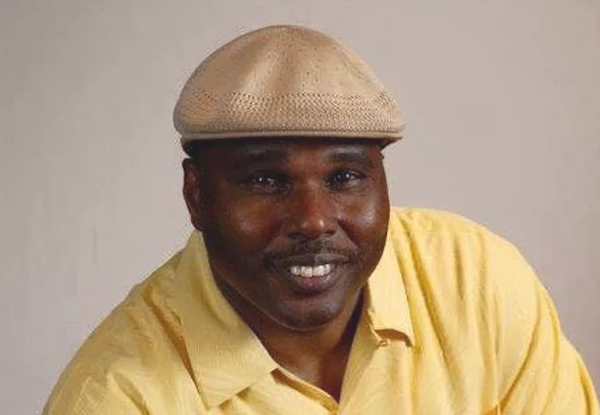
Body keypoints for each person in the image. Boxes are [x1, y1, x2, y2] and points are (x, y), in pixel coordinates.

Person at [44, 25, 598, 414]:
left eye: (345, 177)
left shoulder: (477, 282)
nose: (312, 221)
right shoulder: (117, 397)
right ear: (197, 196)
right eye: (265, 181)